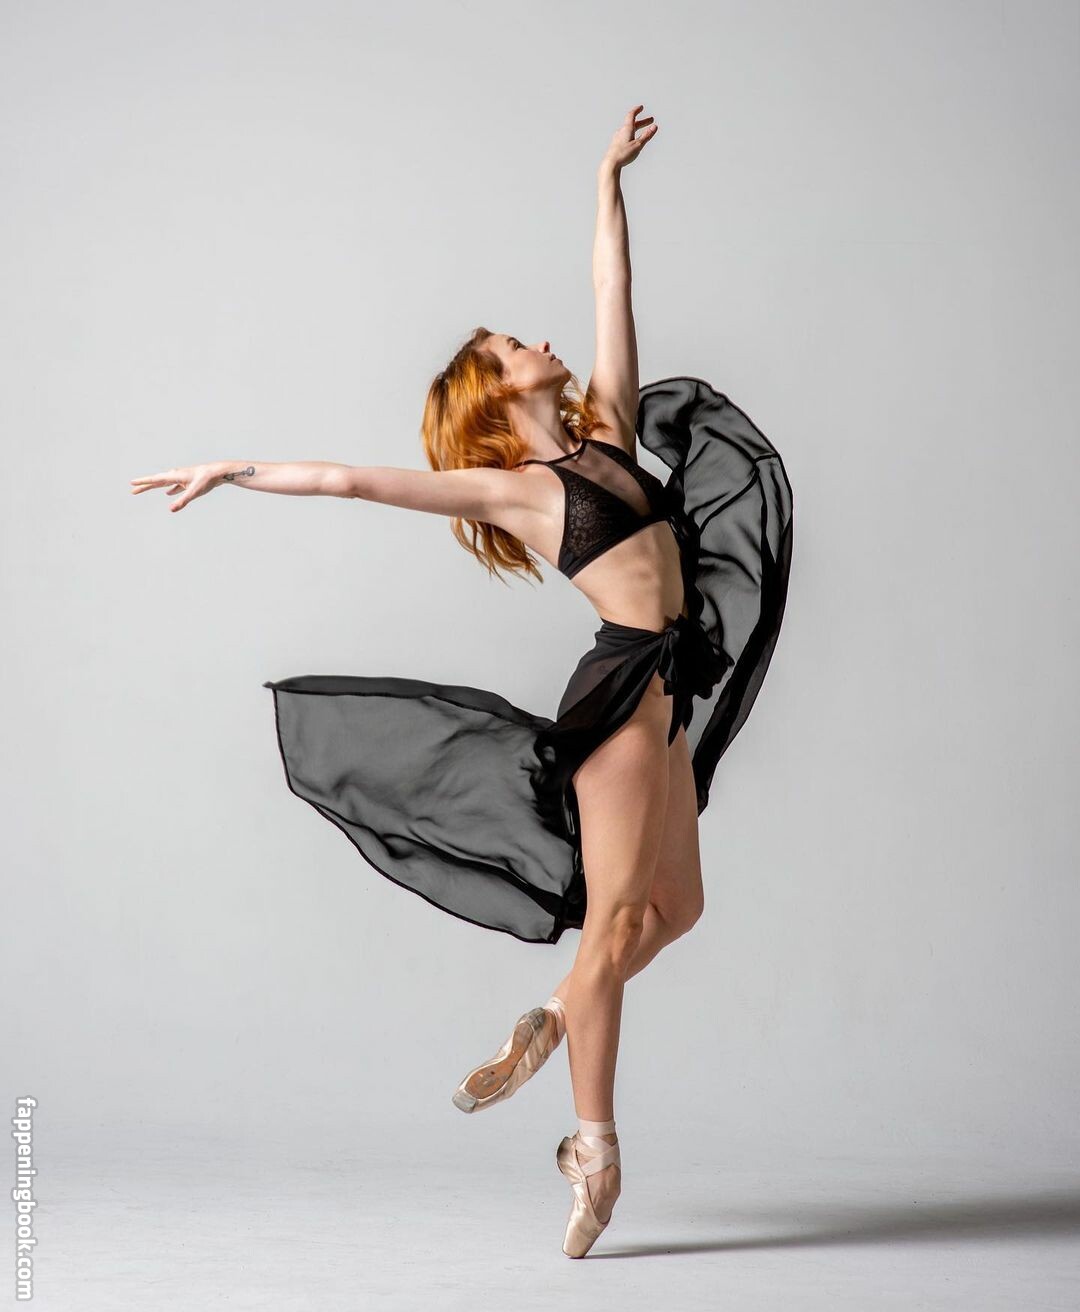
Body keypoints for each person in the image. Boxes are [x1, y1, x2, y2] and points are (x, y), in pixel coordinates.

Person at [130, 105, 794, 1259]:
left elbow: (613, 287)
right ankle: (593, 1151)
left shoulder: (608, 434)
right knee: (614, 922)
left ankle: (554, 1018)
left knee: (673, 910)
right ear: (494, 394)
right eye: (511, 345)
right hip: (618, 701)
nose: (538, 340)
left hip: (668, 694)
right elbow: (356, 481)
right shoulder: (520, 491)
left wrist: (607, 178)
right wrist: (234, 467)